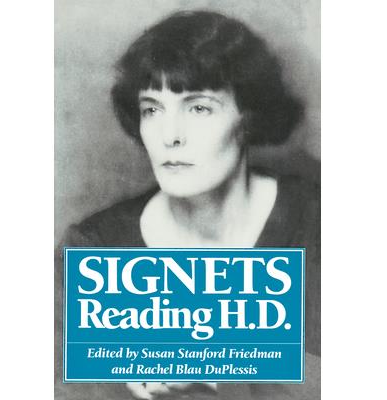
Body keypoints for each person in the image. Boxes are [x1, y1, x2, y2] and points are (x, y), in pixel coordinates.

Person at [55, 10, 320, 400]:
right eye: (152, 109)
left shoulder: (317, 225)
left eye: (199, 108)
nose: (170, 135)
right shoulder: (94, 249)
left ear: (248, 117)